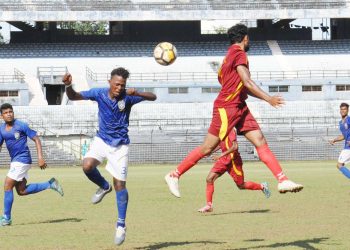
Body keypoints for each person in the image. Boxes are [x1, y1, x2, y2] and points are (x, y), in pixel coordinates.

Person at [165, 23, 303, 198]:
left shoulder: (226, 60)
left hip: (239, 106)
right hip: (227, 107)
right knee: (208, 148)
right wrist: (268, 98)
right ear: (245, 38)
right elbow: (246, 81)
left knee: (260, 140)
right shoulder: (239, 54)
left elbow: (236, 86)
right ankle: (174, 174)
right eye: (248, 38)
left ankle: (282, 179)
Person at [62, 68, 156, 245]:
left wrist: (138, 92)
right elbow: (74, 96)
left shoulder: (128, 97)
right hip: (101, 140)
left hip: (120, 145)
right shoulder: (99, 94)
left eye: (123, 85)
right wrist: (67, 85)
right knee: (87, 166)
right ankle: (104, 186)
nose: (119, 88)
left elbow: (153, 96)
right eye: (116, 84)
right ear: (109, 82)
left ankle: (121, 225)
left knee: (120, 184)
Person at [0, 103, 64, 226]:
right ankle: (50, 184)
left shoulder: (21, 125)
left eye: (10, 111)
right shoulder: (1, 129)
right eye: (6, 112)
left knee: (7, 186)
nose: (9, 114)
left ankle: (6, 218)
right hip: (15, 161)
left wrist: (40, 157)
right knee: (21, 190)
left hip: (22, 159)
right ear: (1, 116)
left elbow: (36, 139)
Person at [198, 129, 270, 213]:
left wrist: (220, 155)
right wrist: (211, 151)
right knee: (209, 179)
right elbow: (221, 144)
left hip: (233, 161)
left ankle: (262, 186)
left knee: (241, 185)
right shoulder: (222, 129)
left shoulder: (231, 129)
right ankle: (209, 205)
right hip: (224, 160)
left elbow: (235, 146)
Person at [329, 102, 350, 179]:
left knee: (339, 165)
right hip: (347, 147)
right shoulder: (341, 123)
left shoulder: (349, 120)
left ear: (347, 110)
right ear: (340, 110)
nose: (343, 111)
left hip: (348, 147)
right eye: (341, 109)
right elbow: (344, 136)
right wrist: (334, 140)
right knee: (341, 165)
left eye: (345, 109)